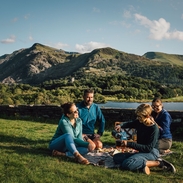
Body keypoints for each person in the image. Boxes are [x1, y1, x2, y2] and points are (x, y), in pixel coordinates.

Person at [113, 103, 176, 175]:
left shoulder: (154, 129)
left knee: (127, 163)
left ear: (147, 116)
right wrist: (120, 125)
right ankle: (142, 165)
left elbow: (148, 148)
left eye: (140, 117)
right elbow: (129, 123)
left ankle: (159, 163)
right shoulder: (140, 122)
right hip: (142, 151)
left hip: (151, 152)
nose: (138, 118)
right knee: (116, 157)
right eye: (138, 116)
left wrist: (128, 144)